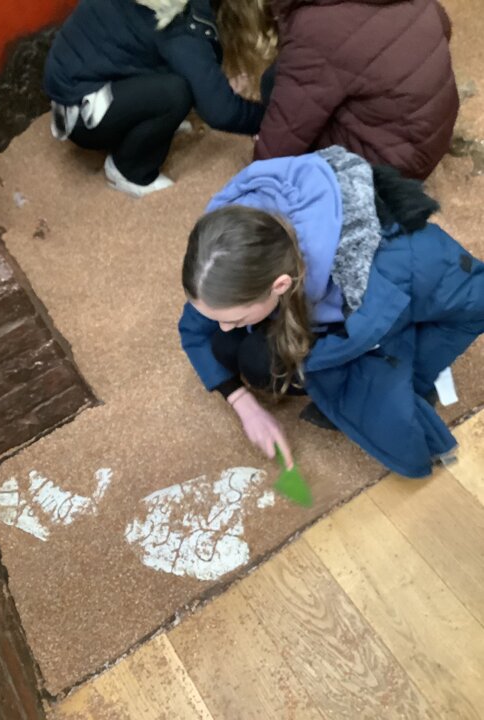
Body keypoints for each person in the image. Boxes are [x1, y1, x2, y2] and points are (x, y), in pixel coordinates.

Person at [178, 147, 484, 478]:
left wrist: (415, 373)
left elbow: (473, 303)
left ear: (280, 285)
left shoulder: (400, 262)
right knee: (227, 346)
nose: (225, 326)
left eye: (234, 319)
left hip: (378, 314)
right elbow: (194, 329)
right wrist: (242, 402)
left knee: (380, 410)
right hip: (327, 310)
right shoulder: (227, 253)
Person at [43, 0, 272, 197]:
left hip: (87, 76)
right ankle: (129, 170)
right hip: (82, 111)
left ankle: (142, 122)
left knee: (185, 78)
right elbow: (220, 111)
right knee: (176, 94)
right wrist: (271, 119)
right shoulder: (182, 23)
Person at [254, 0, 459, 180]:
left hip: (387, 171)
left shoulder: (317, 26)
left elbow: (281, 142)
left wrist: (255, 184)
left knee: (273, 84)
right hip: (431, 137)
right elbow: (444, 27)